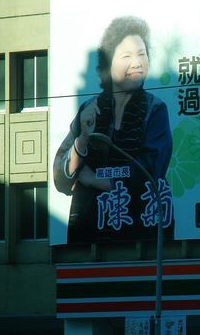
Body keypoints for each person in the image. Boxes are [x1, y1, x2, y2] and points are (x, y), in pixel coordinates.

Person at [53, 16, 173, 243]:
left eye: (142, 54)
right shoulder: (89, 109)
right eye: (126, 56)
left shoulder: (155, 110)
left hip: (140, 231)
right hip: (87, 233)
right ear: (108, 65)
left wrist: (92, 179)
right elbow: (60, 177)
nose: (137, 62)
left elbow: (148, 173)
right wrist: (82, 141)